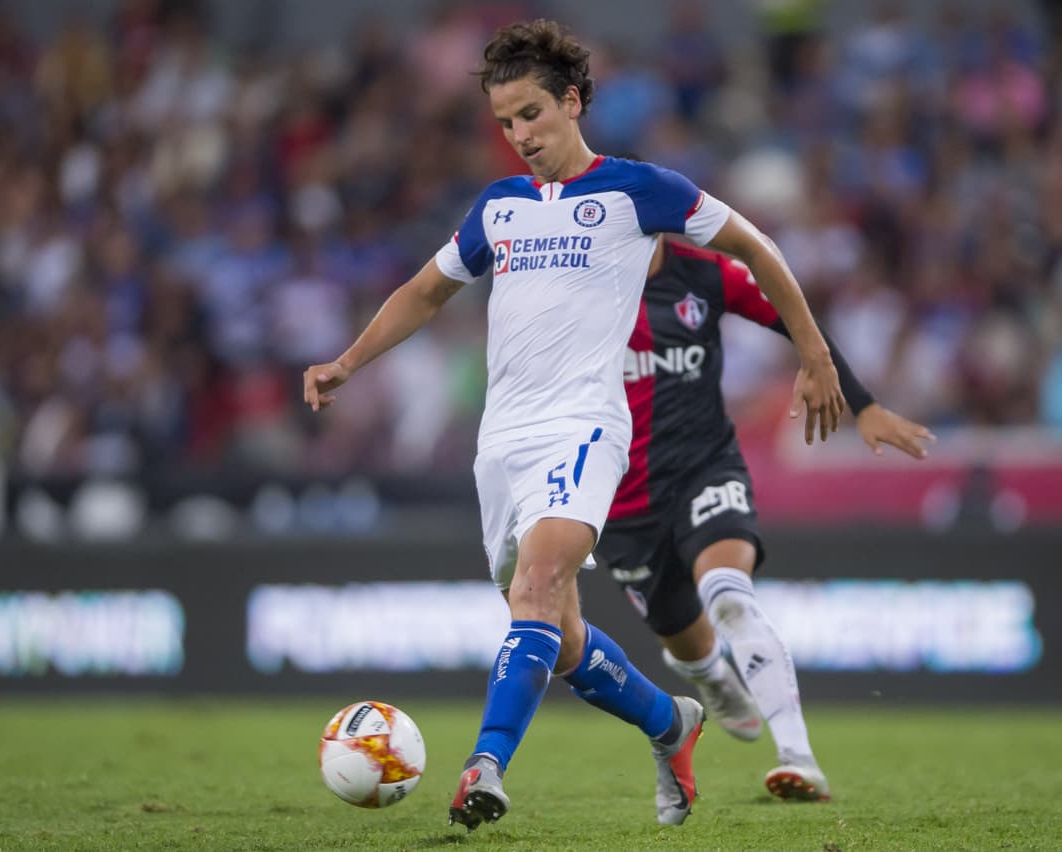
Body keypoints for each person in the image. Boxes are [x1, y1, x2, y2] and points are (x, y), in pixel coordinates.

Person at [303, 19, 846, 831]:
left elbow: (758, 247)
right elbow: (425, 291)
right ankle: (671, 723)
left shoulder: (639, 190)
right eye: (505, 122)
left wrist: (816, 354)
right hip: (504, 444)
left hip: (587, 426)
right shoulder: (500, 207)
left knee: (538, 586)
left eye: (531, 114)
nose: (520, 135)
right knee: (553, 633)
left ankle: (484, 767)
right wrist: (348, 361)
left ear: (572, 101)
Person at [595, 234, 935, 802]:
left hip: (705, 468)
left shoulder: (706, 276)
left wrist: (863, 402)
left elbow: (795, 320)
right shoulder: (582, 289)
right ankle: (711, 677)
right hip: (622, 499)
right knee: (685, 640)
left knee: (729, 597)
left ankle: (798, 758)